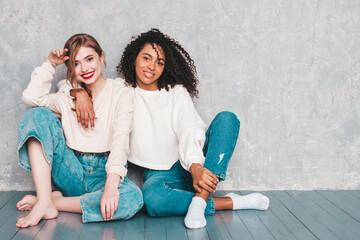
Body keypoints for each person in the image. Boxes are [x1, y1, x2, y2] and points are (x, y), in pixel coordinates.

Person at [61, 29, 269, 229]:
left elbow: (189, 127)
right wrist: (77, 92)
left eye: (159, 62)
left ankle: (200, 201)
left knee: (227, 119)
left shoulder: (176, 92)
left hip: (194, 161)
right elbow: (75, 79)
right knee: (152, 199)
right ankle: (226, 202)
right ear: (134, 58)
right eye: (146, 58)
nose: (152, 66)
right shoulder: (121, 91)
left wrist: (196, 166)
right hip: (161, 175)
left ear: (165, 67)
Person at [16, 33, 143, 228]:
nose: (84, 68)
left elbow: (120, 141)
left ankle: (51, 202)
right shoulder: (67, 96)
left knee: (133, 198)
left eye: (89, 59)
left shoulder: (121, 94)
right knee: (36, 114)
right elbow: (31, 97)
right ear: (70, 68)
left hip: (103, 172)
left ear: (101, 57)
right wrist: (50, 64)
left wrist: (110, 186)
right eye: (76, 64)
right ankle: (45, 201)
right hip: (70, 168)